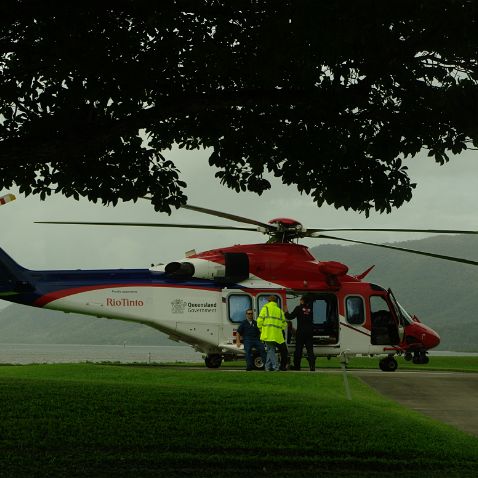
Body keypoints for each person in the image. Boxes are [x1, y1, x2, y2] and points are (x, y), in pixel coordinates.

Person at [285, 295, 316, 371]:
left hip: (301, 332)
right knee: (310, 350)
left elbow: (290, 317)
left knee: (298, 350)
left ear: (302, 300)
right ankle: (312, 367)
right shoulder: (310, 309)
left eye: (300, 300)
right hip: (309, 332)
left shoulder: (298, 308)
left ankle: (297, 366)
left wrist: (286, 311)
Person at [257, 295, 288, 371]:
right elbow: (284, 324)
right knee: (270, 350)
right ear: (275, 302)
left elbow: (259, 321)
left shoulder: (265, 308)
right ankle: (267, 367)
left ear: (268, 301)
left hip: (267, 333)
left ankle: (275, 366)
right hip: (277, 335)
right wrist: (278, 329)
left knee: (271, 350)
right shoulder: (279, 311)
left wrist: (261, 329)